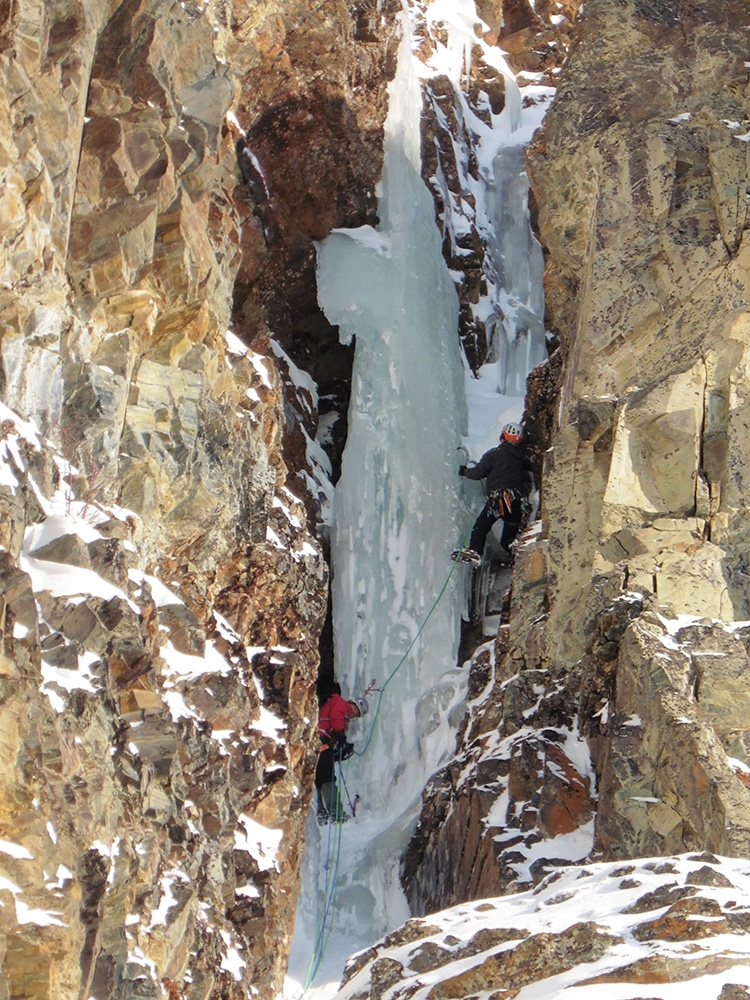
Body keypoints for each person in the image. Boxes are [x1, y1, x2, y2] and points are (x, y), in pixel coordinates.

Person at [456, 422, 532, 566]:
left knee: (481, 526)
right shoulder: (520, 460)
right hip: (516, 503)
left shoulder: (494, 454)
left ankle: (475, 552)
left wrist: (464, 471)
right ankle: (516, 553)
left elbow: (478, 473)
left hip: (500, 499)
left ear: (503, 436)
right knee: (508, 539)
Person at [315, 684, 368, 825]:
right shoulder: (341, 703)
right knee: (327, 778)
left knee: (320, 778)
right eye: (356, 710)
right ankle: (335, 813)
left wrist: (339, 748)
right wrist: (341, 738)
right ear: (352, 703)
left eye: (357, 714)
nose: (354, 713)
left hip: (320, 742)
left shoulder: (341, 710)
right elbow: (335, 716)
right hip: (321, 740)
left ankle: (322, 813)